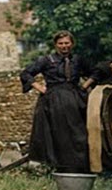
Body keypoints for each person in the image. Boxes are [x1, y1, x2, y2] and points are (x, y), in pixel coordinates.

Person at [20, 31, 99, 173]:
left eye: (67, 43)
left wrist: (84, 86)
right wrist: (40, 88)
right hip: (54, 100)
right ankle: (60, 166)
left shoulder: (78, 59)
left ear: (72, 44)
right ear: (56, 45)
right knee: (59, 133)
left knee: (78, 132)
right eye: (61, 43)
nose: (64, 46)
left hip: (75, 99)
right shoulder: (46, 60)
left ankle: (81, 166)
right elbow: (26, 73)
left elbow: (96, 71)